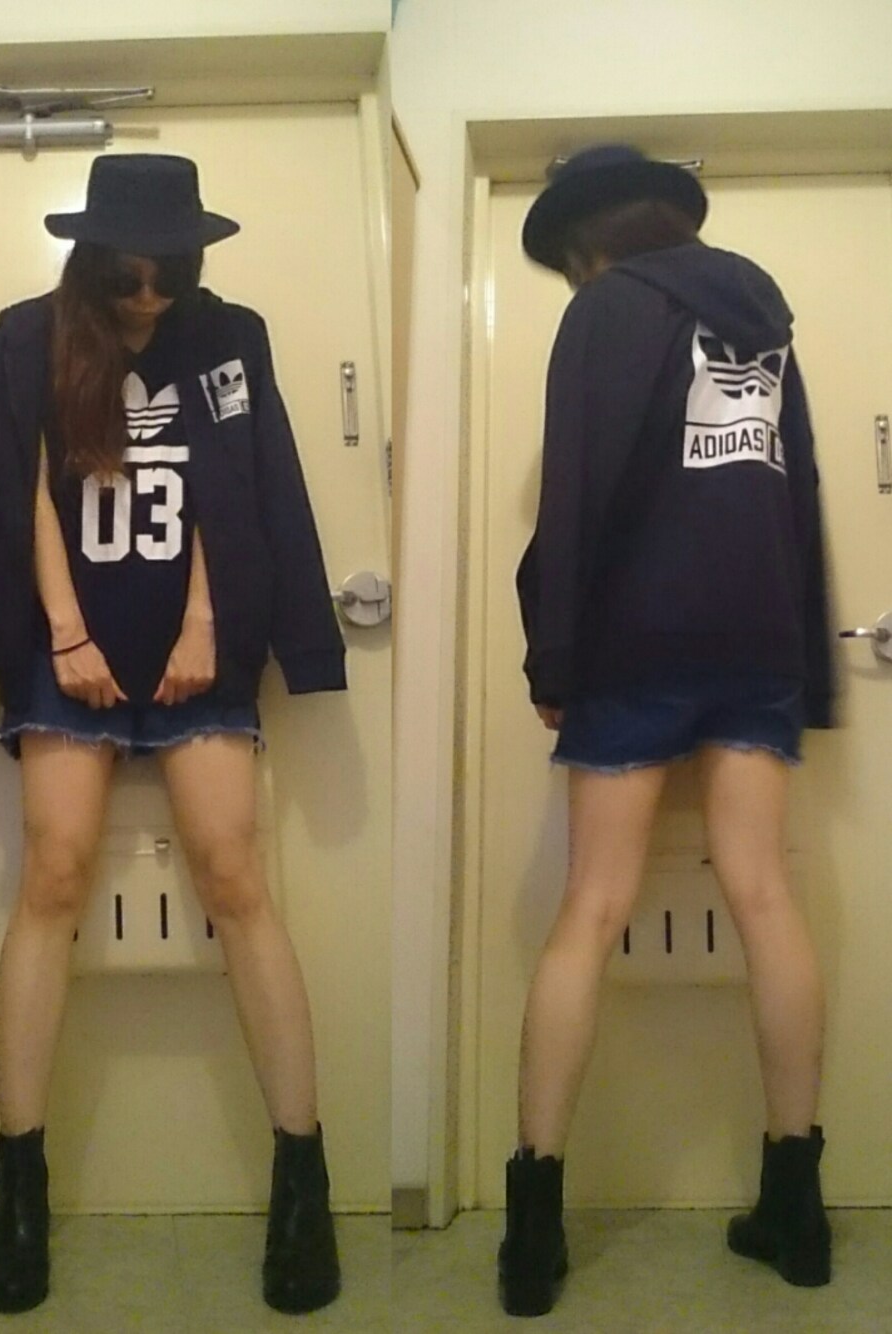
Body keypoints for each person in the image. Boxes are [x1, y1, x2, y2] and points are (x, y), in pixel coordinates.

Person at [0, 153, 346, 1316]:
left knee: (235, 875)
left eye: (169, 274)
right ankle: (18, 1187)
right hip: (69, 649)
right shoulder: (27, 338)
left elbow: (241, 484)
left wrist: (211, 621)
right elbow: (11, 490)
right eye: (127, 275)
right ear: (92, 259)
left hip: (197, 646)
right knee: (52, 876)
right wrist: (64, 633)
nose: (148, 296)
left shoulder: (230, 337)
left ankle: (302, 1181)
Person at [500, 144, 834, 1317]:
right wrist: (809, 668)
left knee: (592, 906)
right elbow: (798, 494)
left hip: (635, 642)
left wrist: (552, 654)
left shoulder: (606, 310)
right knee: (766, 896)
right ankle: (797, 1209)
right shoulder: (764, 320)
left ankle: (531, 1232)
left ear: (588, 242)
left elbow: (577, 489)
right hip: (756, 640)